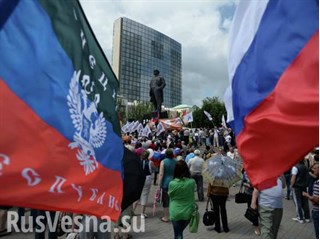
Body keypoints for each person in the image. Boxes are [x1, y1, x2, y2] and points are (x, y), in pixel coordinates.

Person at [169, 160, 196, 239]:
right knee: (179, 232)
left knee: (178, 234)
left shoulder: (172, 183)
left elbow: (171, 196)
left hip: (175, 211)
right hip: (188, 211)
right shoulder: (192, 182)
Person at [158, 149, 176, 223]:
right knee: (173, 199)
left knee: (165, 200)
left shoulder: (163, 162)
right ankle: (173, 215)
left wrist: (159, 184)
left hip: (165, 182)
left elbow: (161, 174)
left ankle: (166, 217)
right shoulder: (175, 162)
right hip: (174, 182)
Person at [134, 150, 153, 218]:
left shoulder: (138, 162)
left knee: (137, 195)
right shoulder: (150, 162)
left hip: (139, 178)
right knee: (144, 195)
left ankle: (133, 211)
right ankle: (142, 213)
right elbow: (153, 169)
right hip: (147, 178)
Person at [240, 171, 260, 236]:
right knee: (250, 208)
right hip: (248, 193)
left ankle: (256, 226)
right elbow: (243, 182)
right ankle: (254, 222)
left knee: (256, 210)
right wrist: (242, 187)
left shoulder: (257, 172)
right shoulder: (245, 173)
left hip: (256, 194)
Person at [303, 163, 319, 239]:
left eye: (315, 168)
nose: (313, 170)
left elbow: (315, 200)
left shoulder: (317, 183)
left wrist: (307, 195)